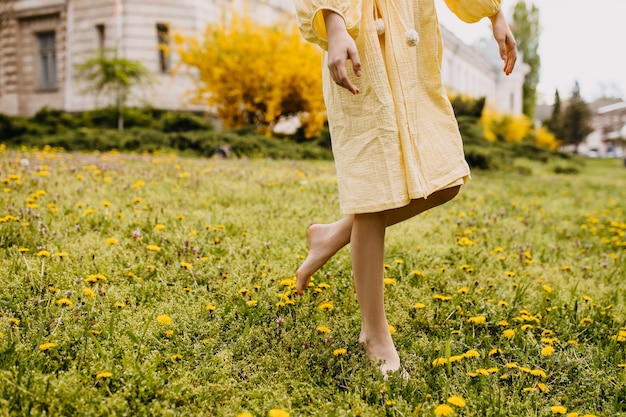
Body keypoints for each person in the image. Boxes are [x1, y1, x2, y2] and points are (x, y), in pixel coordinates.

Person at [293, 0, 517, 375]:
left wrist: (495, 13)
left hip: (412, 49)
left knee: (446, 180)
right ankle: (374, 333)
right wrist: (334, 26)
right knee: (373, 192)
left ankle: (332, 235)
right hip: (359, 41)